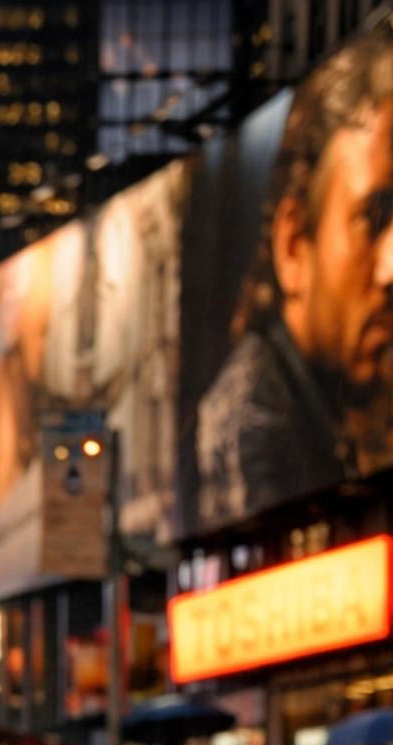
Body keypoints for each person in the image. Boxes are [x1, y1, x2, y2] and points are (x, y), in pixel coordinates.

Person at [197, 29, 393, 524]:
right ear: (292, 245)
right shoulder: (253, 427)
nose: (391, 268)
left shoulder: (341, 397)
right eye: (374, 217)